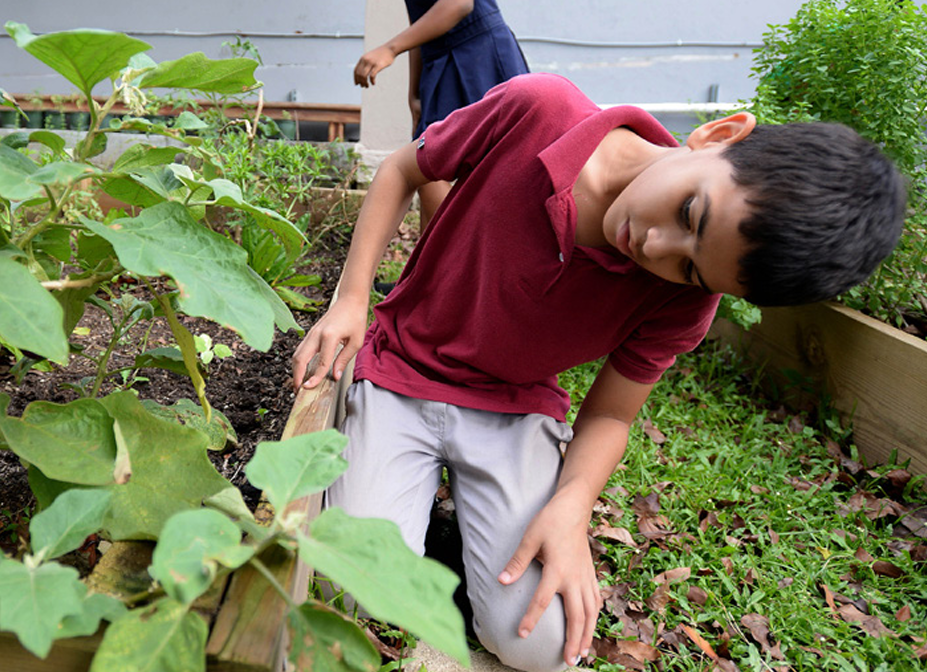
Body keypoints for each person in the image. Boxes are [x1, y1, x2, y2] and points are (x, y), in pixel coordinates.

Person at [291, 73, 905, 672]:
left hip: (513, 411)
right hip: (400, 372)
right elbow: (406, 169)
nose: (657, 246)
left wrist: (573, 506)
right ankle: (437, 531)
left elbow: (612, 413)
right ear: (719, 135)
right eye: (691, 212)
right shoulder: (539, 110)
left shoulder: (685, 303)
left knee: (541, 649)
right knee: (352, 591)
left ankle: (455, 542)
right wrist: (351, 299)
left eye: (690, 269)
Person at [353, 0, 529, 229]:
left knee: (489, 169)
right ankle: (441, 260)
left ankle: (459, 255)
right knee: (427, 167)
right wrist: (414, 92)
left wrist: (390, 49)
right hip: (439, 62)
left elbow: (458, 4)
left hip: (479, 55)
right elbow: (419, 22)